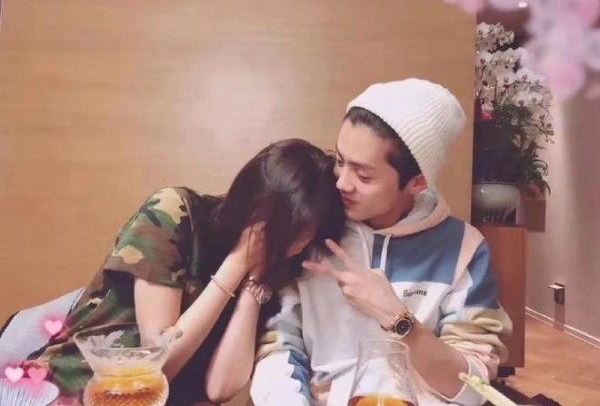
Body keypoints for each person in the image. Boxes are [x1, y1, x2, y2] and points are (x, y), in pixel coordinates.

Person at [250, 79, 513, 406]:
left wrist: (397, 317)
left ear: (417, 182)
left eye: (364, 175)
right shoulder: (313, 230)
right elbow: (279, 348)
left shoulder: (463, 249)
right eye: (340, 161)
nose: (342, 183)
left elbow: (473, 388)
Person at [24, 138, 346, 405]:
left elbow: (220, 388)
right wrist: (236, 263)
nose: (299, 246)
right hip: (67, 390)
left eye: (309, 235)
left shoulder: (278, 267)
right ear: (257, 207)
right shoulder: (174, 214)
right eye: (295, 232)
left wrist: (254, 284)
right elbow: (155, 367)